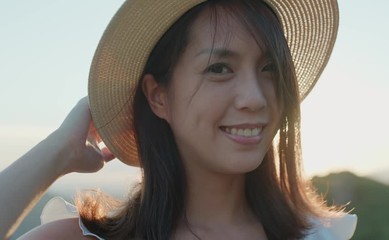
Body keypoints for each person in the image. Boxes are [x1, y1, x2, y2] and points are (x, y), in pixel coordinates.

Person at [1, 0, 357, 239]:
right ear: (158, 96)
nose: (255, 97)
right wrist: (58, 151)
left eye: (269, 68)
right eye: (219, 68)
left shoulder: (319, 236)